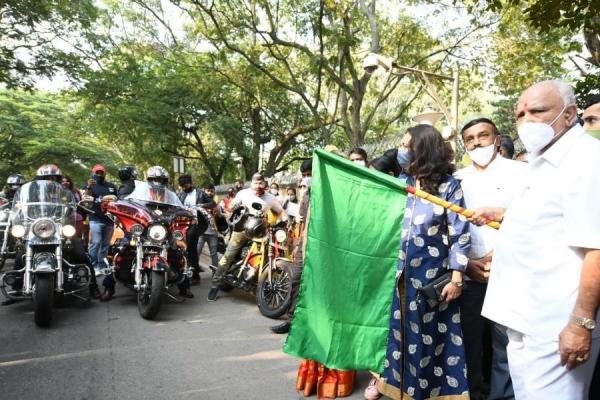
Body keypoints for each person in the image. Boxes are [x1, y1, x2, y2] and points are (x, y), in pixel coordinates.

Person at [472, 81, 600, 399]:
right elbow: (550, 220)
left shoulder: (587, 161)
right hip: (522, 315)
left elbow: (596, 247)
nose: (527, 120)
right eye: (520, 114)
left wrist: (580, 324)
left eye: (538, 111)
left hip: (556, 323)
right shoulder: (541, 160)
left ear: (569, 115)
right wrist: (505, 214)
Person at [366, 124, 470, 400]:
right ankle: (397, 390)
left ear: (422, 149)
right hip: (396, 278)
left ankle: (428, 394)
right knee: (396, 338)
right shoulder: (400, 185)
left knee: (430, 341)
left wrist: (457, 277)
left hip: (432, 281)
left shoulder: (449, 186)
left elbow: (460, 234)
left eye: (405, 145)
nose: (401, 150)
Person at [455, 118, 526, 400]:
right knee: (468, 343)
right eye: (470, 139)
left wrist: (497, 256)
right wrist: (466, 265)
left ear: (497, 139)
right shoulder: (457, 179)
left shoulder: (521, 173)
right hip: (470, 273)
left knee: (506, 346)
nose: (477, 143)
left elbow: (528, 220)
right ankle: (471, 394)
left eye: (482, 136)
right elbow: (451, 227)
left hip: (508, 270)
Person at [2, 165, 101, 306]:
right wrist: (19, 211)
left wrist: (78, 207)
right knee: (20, 258)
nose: (50, 180)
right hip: (38, 230)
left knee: (80, 254)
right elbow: (22, 208)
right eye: (46, 178)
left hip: (60, 230)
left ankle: (93, 287)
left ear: (58, 179)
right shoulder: (34, 193)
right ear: (40, 179)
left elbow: (73, 207)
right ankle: (17, 288)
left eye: (53, 178)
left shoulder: (65, 193)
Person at [101, 166, 194, 301]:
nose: (157, 182)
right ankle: (108, 287)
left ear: (165, 181)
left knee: (179, 251)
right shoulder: (139, 191)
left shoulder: (171, 195)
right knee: (121, 250)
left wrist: (189, 212)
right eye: (154, 179)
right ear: (149, 180)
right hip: (141, 229)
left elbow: (180, 208)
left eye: (161, 179)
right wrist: (115, 203)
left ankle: (184, 286)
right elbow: (128, 203)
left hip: (162, 231)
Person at [208, 173, 289, 302]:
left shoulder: (270, 197)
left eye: (261, 183)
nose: (258, 186)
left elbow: (281, 211)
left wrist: (286, 220)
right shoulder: (243, 194)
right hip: (242, 229)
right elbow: (231, 205)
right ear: (251, 183)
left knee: (269, 253)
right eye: (256, 183)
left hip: (261, 231)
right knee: (228, 256)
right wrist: (232, 206)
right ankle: (215, 285)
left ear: (264, 184)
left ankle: (260, 281)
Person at [176, 175, 216, 285]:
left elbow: (212, 203)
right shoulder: (179, 196)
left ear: (191, 183)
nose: (185, 188)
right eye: (183, 187)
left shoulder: (201, 194)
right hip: (182, 224)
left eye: (186, 185)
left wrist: (200, 206)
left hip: (198, 224)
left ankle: (195, 275)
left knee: (191, 244)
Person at [83, 164, 117, 277]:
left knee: (105, 244)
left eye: (101, 172)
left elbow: (117, 200)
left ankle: (102, 265)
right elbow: (86, 199)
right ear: (93, 173)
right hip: (95, 218)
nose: (99, 174)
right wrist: (89, 187)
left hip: (109, 219)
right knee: (95, 242)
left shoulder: (111, 186)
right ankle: (92, 266)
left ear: (104, 173)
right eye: (97, 173)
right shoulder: (89, 185)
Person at [196, 184, 220, 279]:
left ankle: (216, 274)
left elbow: (222, 217)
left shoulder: (216, 205)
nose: (210, 193)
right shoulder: (199, 204)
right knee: (197, 252)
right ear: (204, 192)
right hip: (200, 233)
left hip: (213, 233)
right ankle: (195, 274)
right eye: (208, 191)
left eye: (212, 191)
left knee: (214, 254)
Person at [61, 175, 85, 240]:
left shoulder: (76, 192)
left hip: (76, 218)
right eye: (62, 181)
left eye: (67, 181)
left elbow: (81, 203)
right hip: (61, 220)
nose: (65, 183)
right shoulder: (57, 192)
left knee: (77, 239)